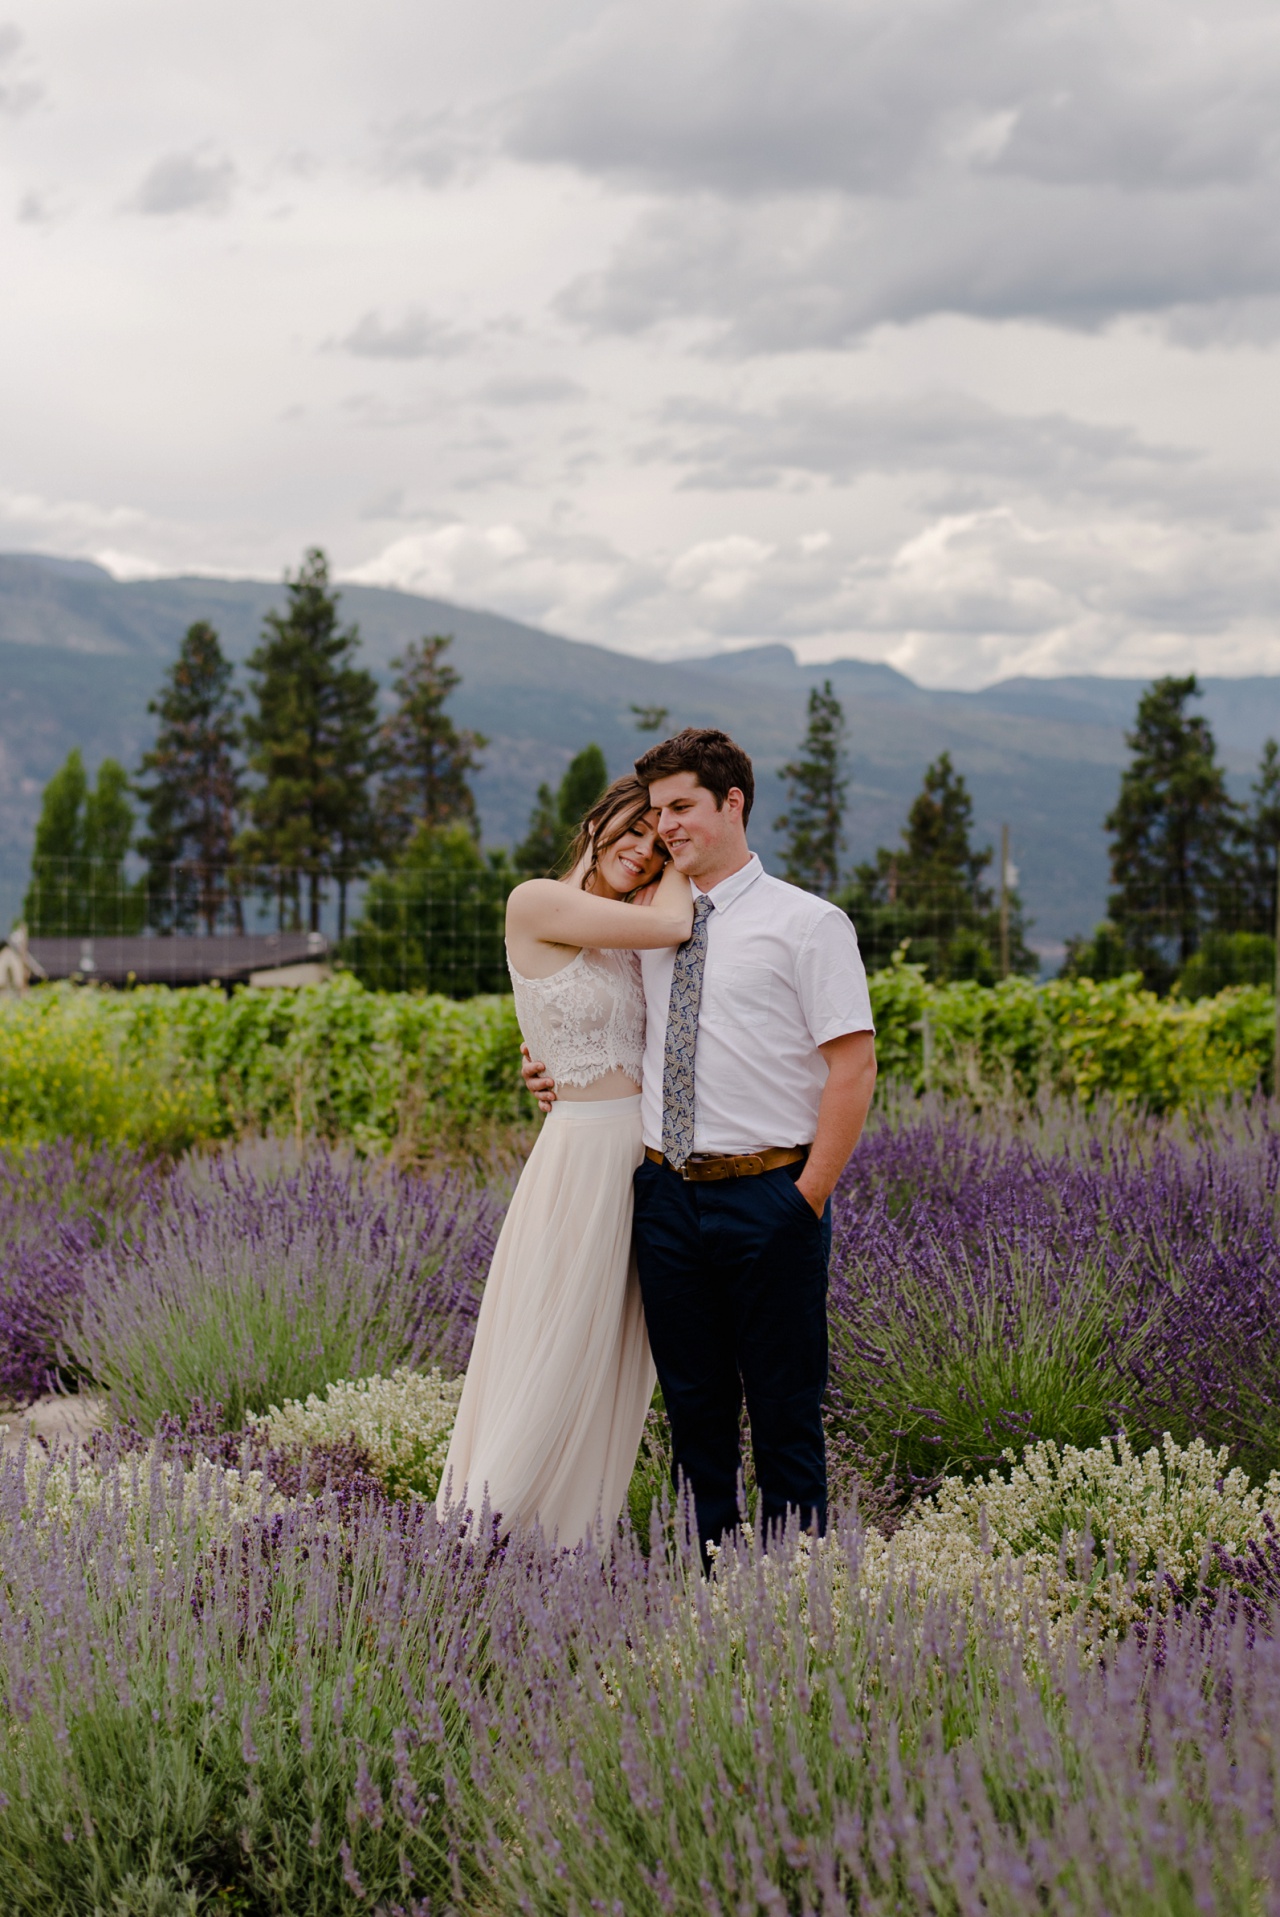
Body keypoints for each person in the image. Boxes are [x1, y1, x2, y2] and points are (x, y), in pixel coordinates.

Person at [525, 727, 877, 1560]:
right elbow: (580, 1011)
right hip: (663, 1198)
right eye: (654, 812)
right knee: (693, 1416)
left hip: (770, 1196)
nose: (667, 827)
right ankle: (703, 1590)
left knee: (787, 1415)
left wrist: (806, 1199)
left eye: (681, 807)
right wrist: (543, 1069)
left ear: (733, 803)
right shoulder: (643, 922)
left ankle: (794, 1597)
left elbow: (854, 1068)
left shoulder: (808, 924)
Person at [436, 774, 693, 1545]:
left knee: (610, 1357)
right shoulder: (535, 899)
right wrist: (686, 843)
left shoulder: (625, 923)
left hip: (642, 1156)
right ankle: (484, 1539)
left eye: (658, 841)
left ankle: (571, 1542)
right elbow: (680, 923)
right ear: (595, 822)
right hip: (581, 1159)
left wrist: (543, 1056)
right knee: (551, 1349)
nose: (644, 850)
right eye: (635, 831)